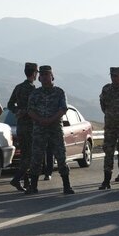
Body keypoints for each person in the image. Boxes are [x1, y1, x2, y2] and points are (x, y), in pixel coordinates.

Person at [25, 65, 74, 195]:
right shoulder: (35, 93)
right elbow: (30, 110)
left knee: (61, 156)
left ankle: (67, 186)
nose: (45, 77)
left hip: (55, 129)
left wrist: (51, 119)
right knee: (36, 157)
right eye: (42, 75)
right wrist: (41, 120)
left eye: (47, 75)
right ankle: (33, 186)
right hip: (39, 129)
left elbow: (63, 109)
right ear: (39, 78)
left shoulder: (59, 92)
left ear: (52, 76)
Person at [7, 62, 39, 192]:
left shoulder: (18, 87)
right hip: (30, 126)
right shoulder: (33, 90)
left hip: (20, 125)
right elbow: (35, 107)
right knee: (30, 156)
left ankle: (25, 182)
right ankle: (17, 179)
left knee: (25, 155)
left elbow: (10, 104)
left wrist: (17, 111)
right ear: (34, 73)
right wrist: (25, 112)